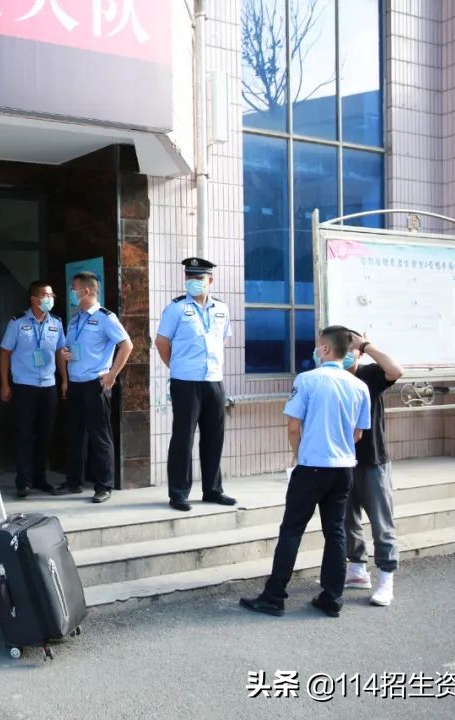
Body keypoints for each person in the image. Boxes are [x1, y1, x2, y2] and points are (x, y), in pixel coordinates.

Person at [240, 326, 371, 618]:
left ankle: (274, 596)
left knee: (292, 530)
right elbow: (358, 433)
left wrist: (300, 454)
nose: (315, 350)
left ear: (325, 349)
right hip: (344, 468)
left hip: (311, 466)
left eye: (317, 345)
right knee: (335, 531)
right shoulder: (359, 386)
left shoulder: (307, 380)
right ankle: (332, 597)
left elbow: (293, 426)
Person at [155, 257, 235, 512]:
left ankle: (213, 489)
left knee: (214, 437)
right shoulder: (176, 308)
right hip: (185, 382)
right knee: (183, 438)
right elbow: (161, 342)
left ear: (210, 280)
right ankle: (178, 493)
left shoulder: (221, 308)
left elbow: (223, 339)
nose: (193, 282)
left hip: (214, 379)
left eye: (199, 278)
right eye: (189, 277)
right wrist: (176, 366)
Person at [61, 271, 133, 504]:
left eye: (74, 289)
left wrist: (112, 374)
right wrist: (66, 354)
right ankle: (73, 482)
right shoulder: (75, 319)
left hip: (95, 383)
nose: (72, 293)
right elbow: (70, 348)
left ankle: (104, 485)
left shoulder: (105, 318)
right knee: (75, 435)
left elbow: (127, 345)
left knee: (99, 436)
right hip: (75, 383)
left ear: (86, 291)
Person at [344, 331, 404, 607]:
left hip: (373, 460)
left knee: (381, 523)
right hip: (341, 460)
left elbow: (396, 371)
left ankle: (386, 579)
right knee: (346, 520)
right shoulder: (331, 376)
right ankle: (357, 569)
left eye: (351, 348)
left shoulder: (370, 374)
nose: (346, 353)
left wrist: (366, 345)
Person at [0, 281, 66, 497]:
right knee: (24, 434)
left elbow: (60, 352)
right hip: (24, 385)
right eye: (46, 295)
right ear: (34, 299)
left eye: (52, 295)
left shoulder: (56, 323)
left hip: (48, 385)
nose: (50, 299)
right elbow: (5, 353)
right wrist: (5, 384)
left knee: (45, 434)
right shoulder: (17, 322)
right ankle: (23, 481)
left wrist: (64, 379)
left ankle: (40, 478)